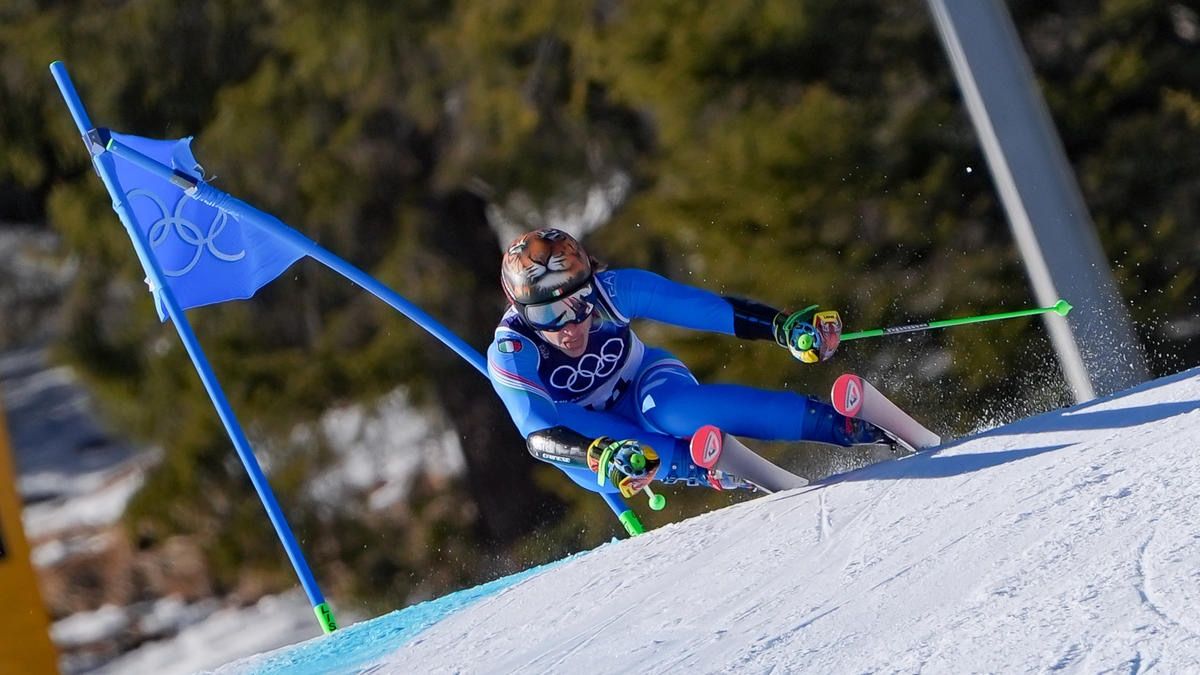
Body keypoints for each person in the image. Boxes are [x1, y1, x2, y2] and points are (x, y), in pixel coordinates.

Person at [487, 228, 889, 500]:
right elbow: (538, 435)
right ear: (520, 310)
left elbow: (705, 309)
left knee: (674, 411)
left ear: (592, 284)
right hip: (594, 433)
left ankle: (839, 424)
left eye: (580, 303)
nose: (570, 325)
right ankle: (697, 468)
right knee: (605, 450)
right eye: (547, 315)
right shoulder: (512, 350)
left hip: (646, 381)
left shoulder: (614, 291)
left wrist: (782, 327)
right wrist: (594, 453)